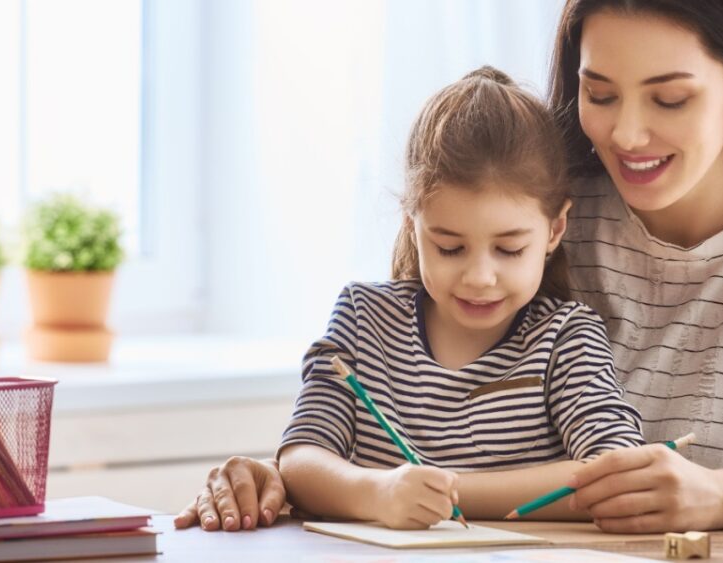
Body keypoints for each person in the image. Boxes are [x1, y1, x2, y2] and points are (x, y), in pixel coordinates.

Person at [176, 0, 723, 533]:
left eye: (669, 99)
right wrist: (294, 475)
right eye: (600, 93)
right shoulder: (546, 208)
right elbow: (412, 386)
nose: (627, 134)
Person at [180, 66, 645, 531]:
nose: (480, 277)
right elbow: (302, 459)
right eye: (449, 247)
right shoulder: (364, 319)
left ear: (555, 229)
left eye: (509, 249)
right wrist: (378, 494)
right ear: (412, 225)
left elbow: (619, 471)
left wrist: (446, 493)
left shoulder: (565, 336)